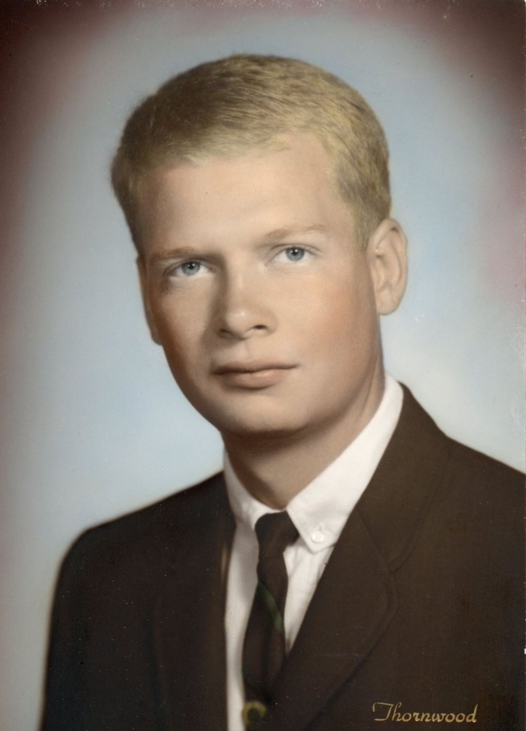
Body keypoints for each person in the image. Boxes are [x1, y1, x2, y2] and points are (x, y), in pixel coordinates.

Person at [41, 55, 523, 731]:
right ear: (148, 301)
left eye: (290, 253)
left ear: (383, 270)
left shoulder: (511, 549)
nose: (239, 315)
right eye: (190, 266)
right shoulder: (104, 577)